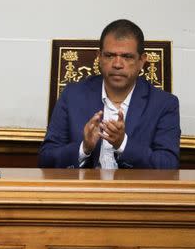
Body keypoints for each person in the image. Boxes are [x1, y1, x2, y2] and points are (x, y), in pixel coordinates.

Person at [39, 19, 180, 169]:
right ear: (99, 57)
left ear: (141, 61)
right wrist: (83, 148)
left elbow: (169, 165)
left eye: (127, 57)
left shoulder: (164, 104)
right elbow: (46, 159)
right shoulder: (73, 95)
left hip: (135, 191)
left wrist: (123, 144)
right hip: (84, 190)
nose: (117, 64)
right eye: (110, 55)